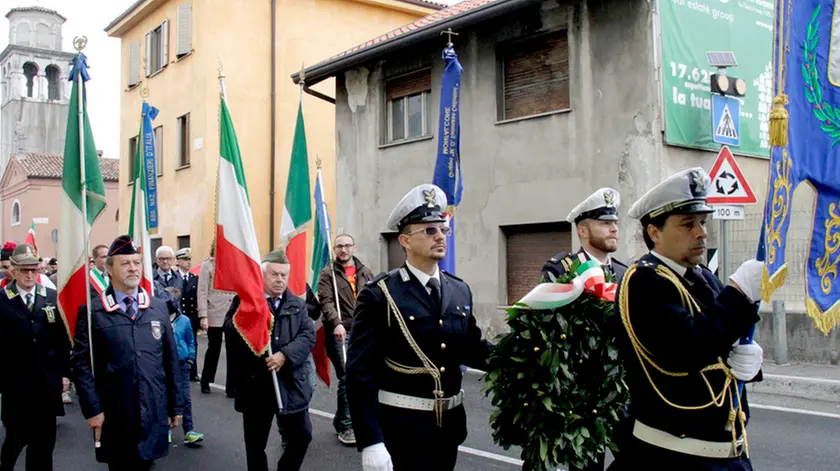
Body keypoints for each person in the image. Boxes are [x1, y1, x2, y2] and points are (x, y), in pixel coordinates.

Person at [613, 168, 764, 470]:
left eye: (702, 222)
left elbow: (723, 337)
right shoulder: (643, 281)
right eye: (687, 224)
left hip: (726, 454)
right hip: (672, 457)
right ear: (654, 232)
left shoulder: (702, 277)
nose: (701, 232)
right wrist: (737, 293)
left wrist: (751, 362)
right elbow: (690, 346)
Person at [346, 184, 491, 471]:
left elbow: (472, 349)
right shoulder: (381, 294)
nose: (439, 236)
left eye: (443, 229)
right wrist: (371, 440)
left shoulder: (459, 290)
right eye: (429, 230)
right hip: (401, 430)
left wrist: (526, 355)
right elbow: (359, 373)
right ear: (405, 241)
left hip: (448, 429)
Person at [72, 235, 184, 471]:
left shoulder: (157, 307)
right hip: (115, 411)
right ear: (109, 269)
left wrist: (176, 406)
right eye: (125, 263)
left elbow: (170, 359)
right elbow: (81, 365)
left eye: (136, 262)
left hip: (152, 407)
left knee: (147, 464)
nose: (133, 268)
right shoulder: (93, 311)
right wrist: (93, 409)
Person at [224, 248, 315, 471]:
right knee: (255, 446)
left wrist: (285, 354)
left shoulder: (297, 304)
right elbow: (229, 330)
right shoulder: (244, 301)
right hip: (257, 385)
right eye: (274, 274)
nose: (279, 279)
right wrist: (247, 316)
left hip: (290, 383)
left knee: (301, 437)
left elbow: (307, 334)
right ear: (262, 274)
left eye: (284, 275)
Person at [0, 244, 70, 471]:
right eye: (23, 270)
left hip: (46, 384)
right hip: (15, 384)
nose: (29, 275)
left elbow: (61, 340)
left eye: (33, 270)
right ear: (13, 271)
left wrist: (65, 374)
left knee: (44, 442)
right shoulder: (2, 298)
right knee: (16, 438)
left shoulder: (50, 297)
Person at [316, 233, 373, 446]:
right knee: (348, 377)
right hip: (340, 332)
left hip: (362, 332)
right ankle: (347, 426)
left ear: (354, 248)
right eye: (339, 246)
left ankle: (340, 419)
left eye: (347, 245)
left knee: (359, 376)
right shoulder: (327, 274)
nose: (343, 250)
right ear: (334, 249)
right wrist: (337, 323)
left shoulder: (365, 272)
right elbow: (327, 302)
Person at [541, 187, 628, 284]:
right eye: (606, 223)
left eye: (615, 223)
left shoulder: (625, 273)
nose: (614, 229)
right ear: (582, 231)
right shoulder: (561, 270)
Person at [198, 246, 237, 396]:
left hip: (232, 313)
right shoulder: (207, 265)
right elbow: (202, 291)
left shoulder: (234, 263)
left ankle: (231, 387)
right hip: (214, 312)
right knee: (214, 349)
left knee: (233, 351)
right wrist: (203, 315)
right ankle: (206, 381)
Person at [169, 299, 205, 446]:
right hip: (165, 364)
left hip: (182, 363)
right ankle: (166, 429)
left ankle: (188, 430)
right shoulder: (159, 318)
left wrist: (190, 358)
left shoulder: (184, 321)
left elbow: (191, 340)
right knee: (165, 395)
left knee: (185, 397)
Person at [176, 247, 201, 382]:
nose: (188, 262)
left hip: (191, 315)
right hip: (179, 316)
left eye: (189, 259)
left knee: (193, 343)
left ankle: (193, 371)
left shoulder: (194, 278)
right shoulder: (175, 277)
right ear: (178, 261)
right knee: (179, 341)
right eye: (185, 259)